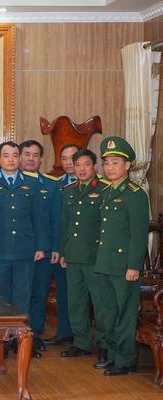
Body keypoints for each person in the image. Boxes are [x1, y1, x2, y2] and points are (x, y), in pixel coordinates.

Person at [94, 136, 149, 376]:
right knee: (108, 315)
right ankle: (113, 355)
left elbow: (138, 235)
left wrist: (134, 265)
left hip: (125, 266)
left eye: (115, 162)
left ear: (127, 166)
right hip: (105, 264)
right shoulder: (107, 192)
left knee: (125, 315)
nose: (109, 167)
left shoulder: (135, 195)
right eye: (106, 163)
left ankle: (126, 360)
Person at [0, 141, 46, 337]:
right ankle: (0, 339)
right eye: (6, 155)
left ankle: (19, 340)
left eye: (14, 155)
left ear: (19, 158)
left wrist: (41, 246)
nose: (11, 159)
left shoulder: (33, 183)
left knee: (22, 298)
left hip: (24, 250)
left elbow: (39, 218)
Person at [20, 140, 72, 355]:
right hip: (18, 250)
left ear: (41, 159)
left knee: (38, 294)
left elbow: (55, 221)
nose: (31, 158)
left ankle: (35, 335)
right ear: (19, 156)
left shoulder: (51, 185)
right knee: (19, 293)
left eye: (36, 155)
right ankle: (13, 334)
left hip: (44, 251)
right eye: (27, 154)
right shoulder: (6, 181)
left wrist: (55, 248)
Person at [58, 148, 109, 362]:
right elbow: (66, 225)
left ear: (95, 167)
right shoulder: (69, 190)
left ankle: (105, 345)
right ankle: (81, 343)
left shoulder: (105, 189)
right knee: (76, 302)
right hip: (74, 256)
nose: (81, 168)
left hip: (96, 257)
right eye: (77, 165)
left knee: (101, 303)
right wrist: (63, 252)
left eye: (86, 164)